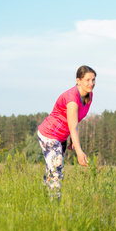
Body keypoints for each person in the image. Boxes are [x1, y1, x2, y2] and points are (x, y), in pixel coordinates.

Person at [37, 65, 96, 200]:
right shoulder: (72, 99)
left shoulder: (89, 95)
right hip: (49, 134)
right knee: (57, 170)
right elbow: (73, 126)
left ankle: (41, 199)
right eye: (87, 80)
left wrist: (71, 140)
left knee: (52, 170)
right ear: (78, 80)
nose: (91, 84)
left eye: (93, 80)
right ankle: (54, 207)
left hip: (61, 137)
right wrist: (79, 152)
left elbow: (74, 121)